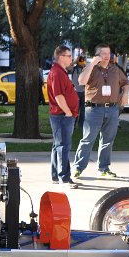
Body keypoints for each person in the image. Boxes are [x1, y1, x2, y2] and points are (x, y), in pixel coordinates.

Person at [73, 43, 129, 179]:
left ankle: (104, 168)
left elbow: (126, 82)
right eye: (103, 53)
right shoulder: (91, 68)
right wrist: (92, 64)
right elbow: (81, 81)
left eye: (108, 53)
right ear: (97, 55)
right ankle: (78, 168)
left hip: (112, 109)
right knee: (88, 139)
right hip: (94, 109)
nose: (107, 56)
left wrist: (125, 94)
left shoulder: (115, 69)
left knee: (108, 140)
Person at [46, 45, 80, 188]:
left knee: (58, 145)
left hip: (62, 115)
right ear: (61, 57)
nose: (71, 58)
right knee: (63, 146)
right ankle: (64, 178)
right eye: (69, 56)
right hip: (62, 115)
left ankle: (56, 176)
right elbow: (58, 96)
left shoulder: (60, 72)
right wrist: (68, 112)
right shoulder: (57, 73)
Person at [70, 55, 86, 130]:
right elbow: (68, 67)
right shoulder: (74, 69)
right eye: (81, 61)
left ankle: (81, 125)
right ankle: (73, 125)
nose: (82, 63)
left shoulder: (84, 69)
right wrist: (74, 62)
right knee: (76, 109)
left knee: (83, 110)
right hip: (76, 92)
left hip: (83, 92)